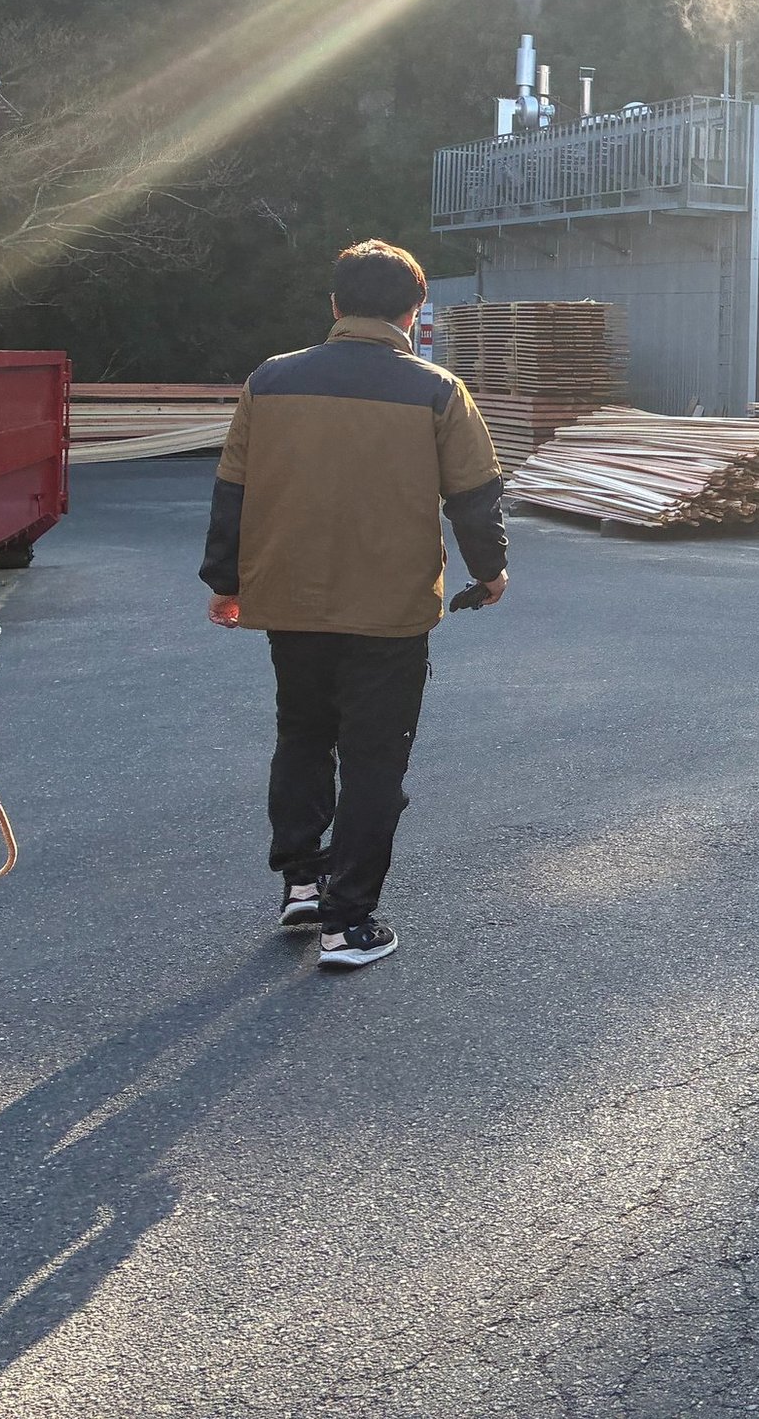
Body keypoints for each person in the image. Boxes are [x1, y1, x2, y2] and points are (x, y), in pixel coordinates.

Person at [200, 241, 508, 971]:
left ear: (335, 305)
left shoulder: (270, 382)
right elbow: (475, 495)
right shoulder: (438, 390)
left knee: (303, 733)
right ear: (414, 309)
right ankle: (349, 921)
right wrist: (490, 571)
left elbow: (232, 489)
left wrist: (226, 580)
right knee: (374, 757)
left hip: (290, 600)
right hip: (391, 608)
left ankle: (303, 882)